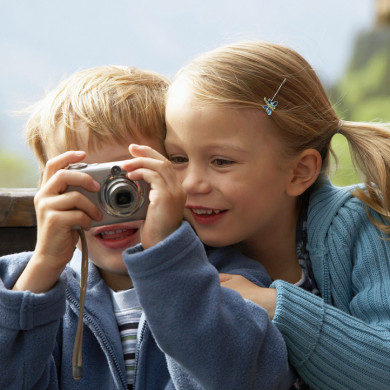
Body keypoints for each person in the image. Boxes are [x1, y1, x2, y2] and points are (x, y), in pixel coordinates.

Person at [0, 65, 294, 389]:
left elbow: (247, 379)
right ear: (49, 189)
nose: (113, 199)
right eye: (85, 180)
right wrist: (42, 269)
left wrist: (167, 259)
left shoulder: (228, 282)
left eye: (132, 179)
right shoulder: (24, 286)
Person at [163, 40, 390, 390]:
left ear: (299, 172)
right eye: (177, 158)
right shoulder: (181, 250)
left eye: (221, 161)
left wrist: (273, 304)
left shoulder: (364, 224)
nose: (191, 183)